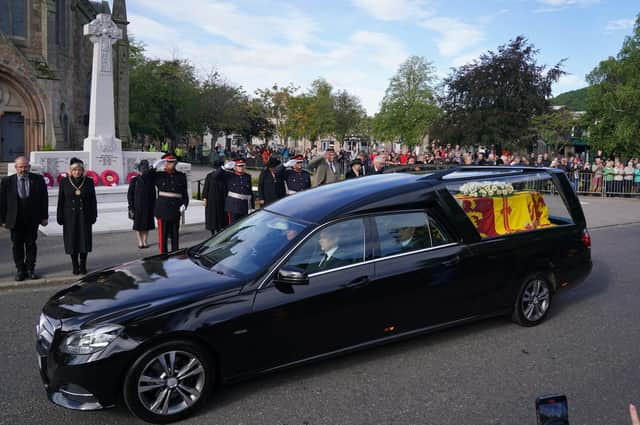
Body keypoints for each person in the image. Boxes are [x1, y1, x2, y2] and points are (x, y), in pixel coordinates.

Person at [0, 156, 49, 281]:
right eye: (20, 167)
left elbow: (44, 199)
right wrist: (2, 220)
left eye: (25, 166)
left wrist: (44, 217)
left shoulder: (38, 179)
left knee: (31, 244)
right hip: (15, 219)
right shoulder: (7, 181)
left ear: (29, 167)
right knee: (17, 245)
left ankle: (30, 269)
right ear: (16, 168)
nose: (23, 169)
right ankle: (20, 270)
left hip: (32, 219)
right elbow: (2, 202)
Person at [56, 157, 97, 275]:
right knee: (72, 241)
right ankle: (75, 265)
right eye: (74, 170)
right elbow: (61, 200)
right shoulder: (64, 182)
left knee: (84, 240)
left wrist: (94, 215)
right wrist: (60, 215)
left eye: (79, 169)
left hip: (84, 216)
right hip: (70, 216)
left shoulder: (88, 181)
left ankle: (83, 265)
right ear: (70, 170)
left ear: (82, 170)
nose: (77, 172)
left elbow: (93, 200)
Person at [145, 154, 189, 254]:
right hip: (163, 208)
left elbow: (184, 193)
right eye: (169, 162)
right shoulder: (159, 174)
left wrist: (184, 204)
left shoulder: (181, 176)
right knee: (163, 235)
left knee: (175, 235)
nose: (171, 164)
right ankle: (163, 256)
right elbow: (145, 177)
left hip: (176, 208)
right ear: (165, 163)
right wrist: (154, 167)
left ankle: (175, 254)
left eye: (173, 162)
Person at [211, 158, 254, 224]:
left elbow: (250, 192)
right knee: (233, 225)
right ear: (234, 167)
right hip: (233, 206)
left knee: (244, 225)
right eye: (239, 166)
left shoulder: (247, 176)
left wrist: (252, 207)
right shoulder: (229, 175)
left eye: (242, 165)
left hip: (245, 206)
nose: (241, 167)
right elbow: (214, 176)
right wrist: (224, 168)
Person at [127, 160, 155, 249]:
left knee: (146, 225)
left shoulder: (151, 181)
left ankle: (145, 241)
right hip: (137, 206)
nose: (144, 170)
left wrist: (154, 206)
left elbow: (154, 194)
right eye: (142, 168)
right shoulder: (134, 180)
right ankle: (140, 241)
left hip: (148, 206)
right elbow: (130, 194)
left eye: (145, 168)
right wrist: (131, 206)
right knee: (138, 225)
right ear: (139, 169)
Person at [202, 160, 228, 236]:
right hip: (211, 199)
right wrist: (204, 198)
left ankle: (220, 230)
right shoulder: (210, 175)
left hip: (222, 198)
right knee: (212, 217)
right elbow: (206, 188)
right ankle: (212, 232)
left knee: (221, 215)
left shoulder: (225, 175)